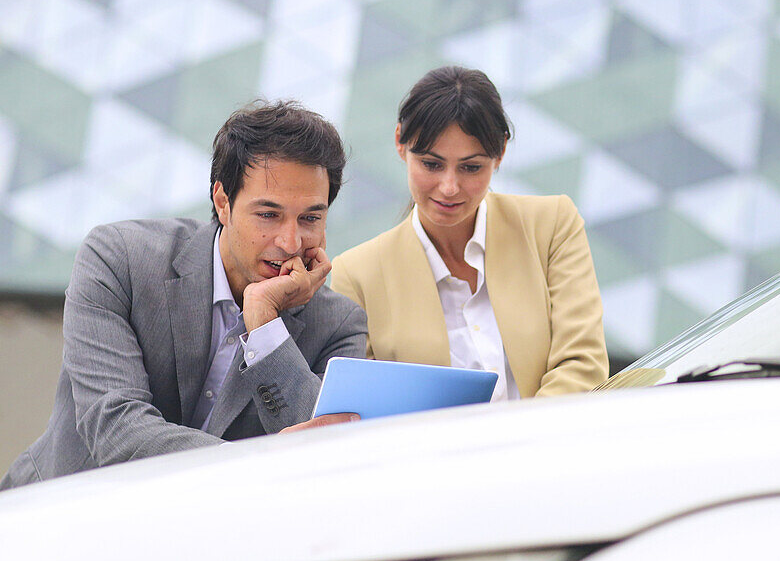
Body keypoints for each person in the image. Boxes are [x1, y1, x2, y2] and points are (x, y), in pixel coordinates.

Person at [1, 100, 367, 489]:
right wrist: (257, 462)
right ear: (223, 202)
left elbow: (321, 460)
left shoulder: (339, 325)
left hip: (218, 542)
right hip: (58, 516)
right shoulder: (118, 259)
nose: (290, 241)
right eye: (268, 214)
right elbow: (115, 427)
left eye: (310, 218)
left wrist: (265, 327)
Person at [331, 66, 608, 400]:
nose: (449, 187)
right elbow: (367, 408)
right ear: (400, 144)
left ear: (500, 153)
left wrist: (519, 445)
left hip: (546, 444)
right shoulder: (357, 274)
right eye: (431, 164)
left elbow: (583, 363)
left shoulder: (551, 225)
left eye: (471, 167)